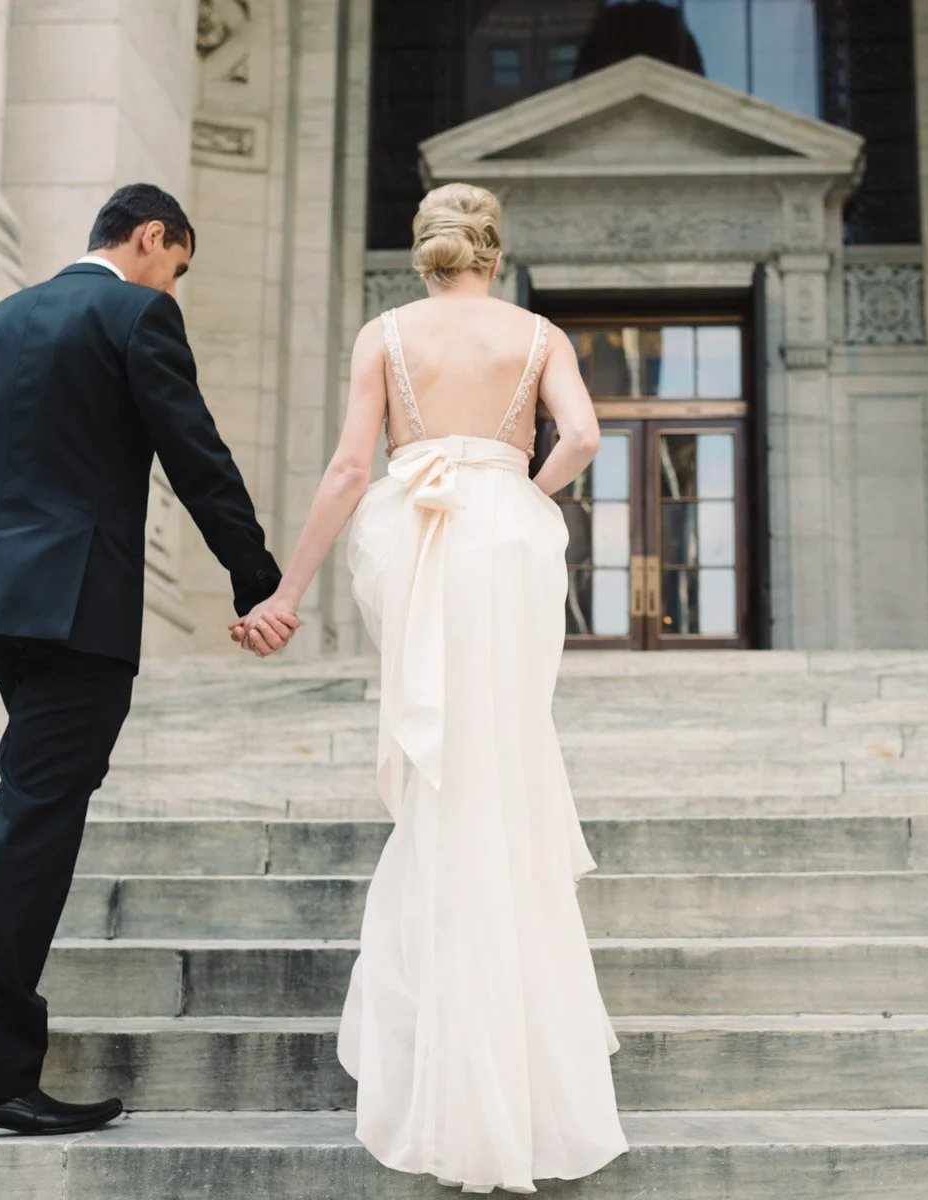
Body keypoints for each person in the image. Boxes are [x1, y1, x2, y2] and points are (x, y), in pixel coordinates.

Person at [0, 183, 297, 1141]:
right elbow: (196, 456)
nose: (176, 288)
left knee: (34, 794)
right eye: (179, 266)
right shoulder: (136, 312)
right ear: (151, 237)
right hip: (76, 608)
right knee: (40, 818)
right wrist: (257, 579)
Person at [232, 182, 627, 1192]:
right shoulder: (538, 335)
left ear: (424, 255)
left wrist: (286, 591)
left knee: (440, 762)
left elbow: (345, 469)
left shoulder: (386, 335)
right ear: (495, 254)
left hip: (414, 535)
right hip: (506, 540)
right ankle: (524, 1079)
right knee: (504, 756)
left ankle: (446, 1069)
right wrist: (515, 490)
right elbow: (581, 438)